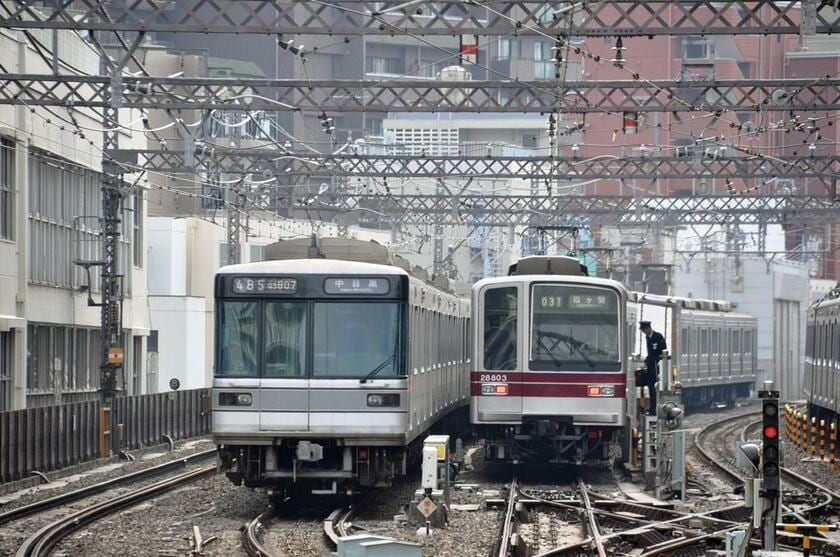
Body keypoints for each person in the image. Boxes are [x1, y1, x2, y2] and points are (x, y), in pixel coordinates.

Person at [640, 320, 666, 416]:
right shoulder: (648, 337)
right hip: (651, 366)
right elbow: (650, 353)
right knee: (651, 388)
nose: (644, 332)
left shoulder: (658, 337)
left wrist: (657, 360)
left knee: (656, 389)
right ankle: (652, 409)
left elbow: (662, 351)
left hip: (657, 366)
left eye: (644, 330)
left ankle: (655, 409)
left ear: (648, 328)